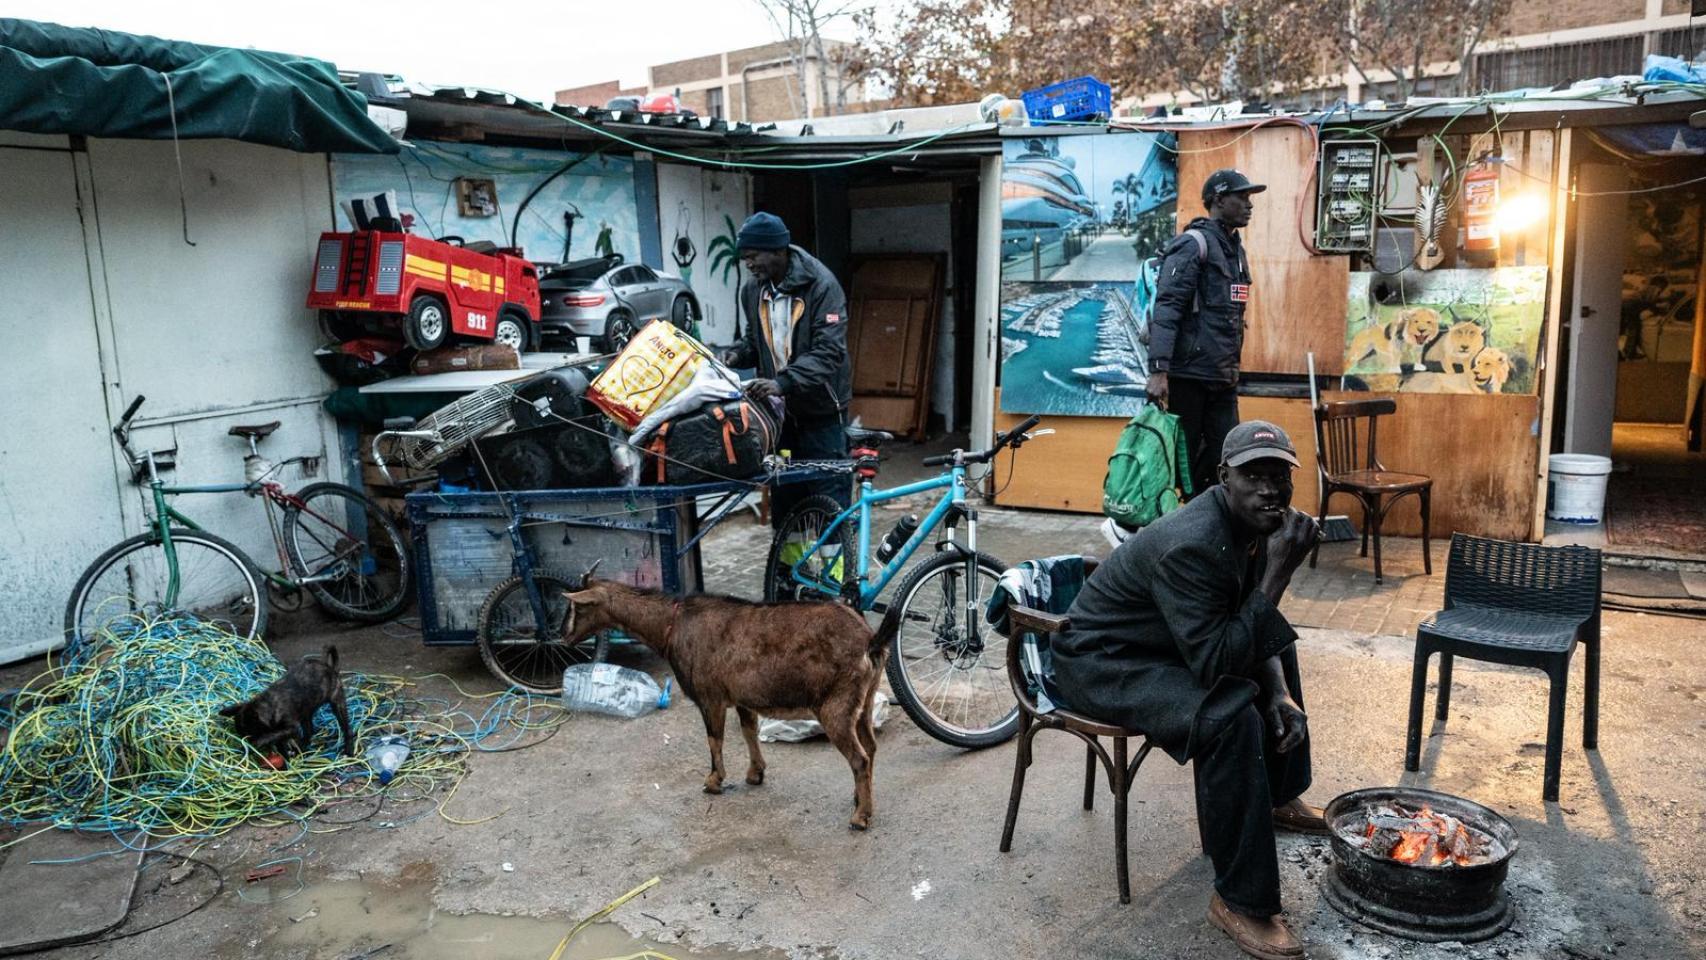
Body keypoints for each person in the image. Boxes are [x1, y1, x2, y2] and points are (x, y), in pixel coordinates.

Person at [1049, 421, 1326, 960]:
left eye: (1279, 476)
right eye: (1253, 476)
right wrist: (1279, 573)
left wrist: (1280, 693)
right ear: (1224, 477)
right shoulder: (1192, 544)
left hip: (1163, 643)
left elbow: (1245, 621)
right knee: (1229, 716)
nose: (1269, 489)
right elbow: (1218, 662)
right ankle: (1240, 902)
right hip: (1102, 662)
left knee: (1276, 647)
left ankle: (1277, 796)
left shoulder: (1248, 523)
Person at [719, 212, 854, 523]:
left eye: (753, 256)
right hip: (779, 418)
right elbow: (754, 341)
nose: (748, 264)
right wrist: (736, 355)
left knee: (828, 496)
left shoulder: (822, 286)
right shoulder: (753, 290)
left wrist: (783, 383)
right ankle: (788, 556)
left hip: (822, 414)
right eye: (745, 257)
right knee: (786, 496)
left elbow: (829, 351)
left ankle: (834, 557)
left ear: (778, 251)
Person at [1146, 168, 1265, 496]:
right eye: (1242, 197)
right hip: (1190, 377)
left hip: (1222, 376)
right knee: (1183, 465)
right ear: (1218, 200)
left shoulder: (1235, 250)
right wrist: (1158, 370)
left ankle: (1209, 519)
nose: (1249, 205)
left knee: (1226, 458)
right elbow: (1167, 308)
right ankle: (1181, 520)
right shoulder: (1192, 244)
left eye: (1250, 198)